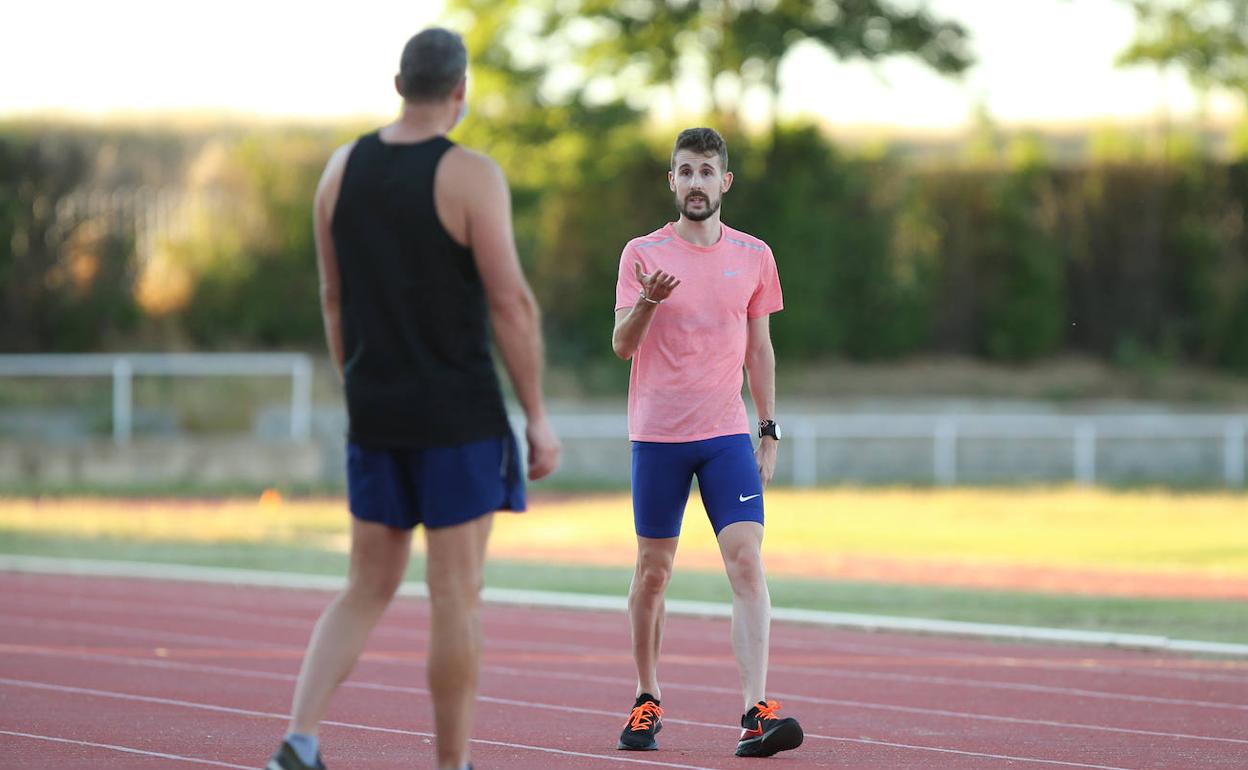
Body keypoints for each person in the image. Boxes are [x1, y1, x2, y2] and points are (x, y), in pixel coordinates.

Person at [265, 27, 561, 770]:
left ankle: (300, 740)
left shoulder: (339, 170)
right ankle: (452, 763)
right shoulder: (470, 174)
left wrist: (358, 385)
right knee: (456, 595)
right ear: (458, 91)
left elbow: (333, 296)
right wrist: (538, 418)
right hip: (456, 415)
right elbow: (513, 305)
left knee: (364, 586)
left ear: (400, 84)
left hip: (376, 412)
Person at [610, 127, 802, 758]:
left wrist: (768, 427)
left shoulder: (754, 255)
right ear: (673, 181)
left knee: (747, 559)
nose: (695, 182)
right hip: (659, 436)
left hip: (724, 434)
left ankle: (755, 712)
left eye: (706, 171)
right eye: (684, 171)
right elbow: (621, 346)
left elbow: (761, 349)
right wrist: (645, 302)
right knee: (653, 572)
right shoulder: (642, 252)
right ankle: (646, 697)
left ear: (725, 182)